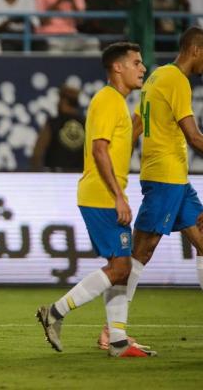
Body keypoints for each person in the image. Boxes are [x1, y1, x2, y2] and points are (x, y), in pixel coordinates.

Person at [36, 42, 155, 357]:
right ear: (118, 67)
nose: (142, 68)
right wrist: (119, 196)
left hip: (104, 193)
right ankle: (55, 312)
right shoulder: (107, 99)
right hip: (101, 195)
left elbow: (116, 146)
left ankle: (117, 339)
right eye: (137, 62)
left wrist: (137, 126)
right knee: (120, 267)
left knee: (122, 267)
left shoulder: (118, 104)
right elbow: (98, 150)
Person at [98, 26, 203, 350]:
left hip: (172, 178)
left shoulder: (158, 76)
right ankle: (111, 332)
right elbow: (193, 136)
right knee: (137, 255)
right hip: (165, 178)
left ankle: (111, 330)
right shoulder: (176, 81)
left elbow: (141, 124)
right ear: (196, 50)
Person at [31, 84, 85, 172]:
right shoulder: (86, 124)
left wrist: (36, 177)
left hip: (55, 180)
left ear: (63, 101)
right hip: (79, 179)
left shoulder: (53, 123)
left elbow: (37, 153)